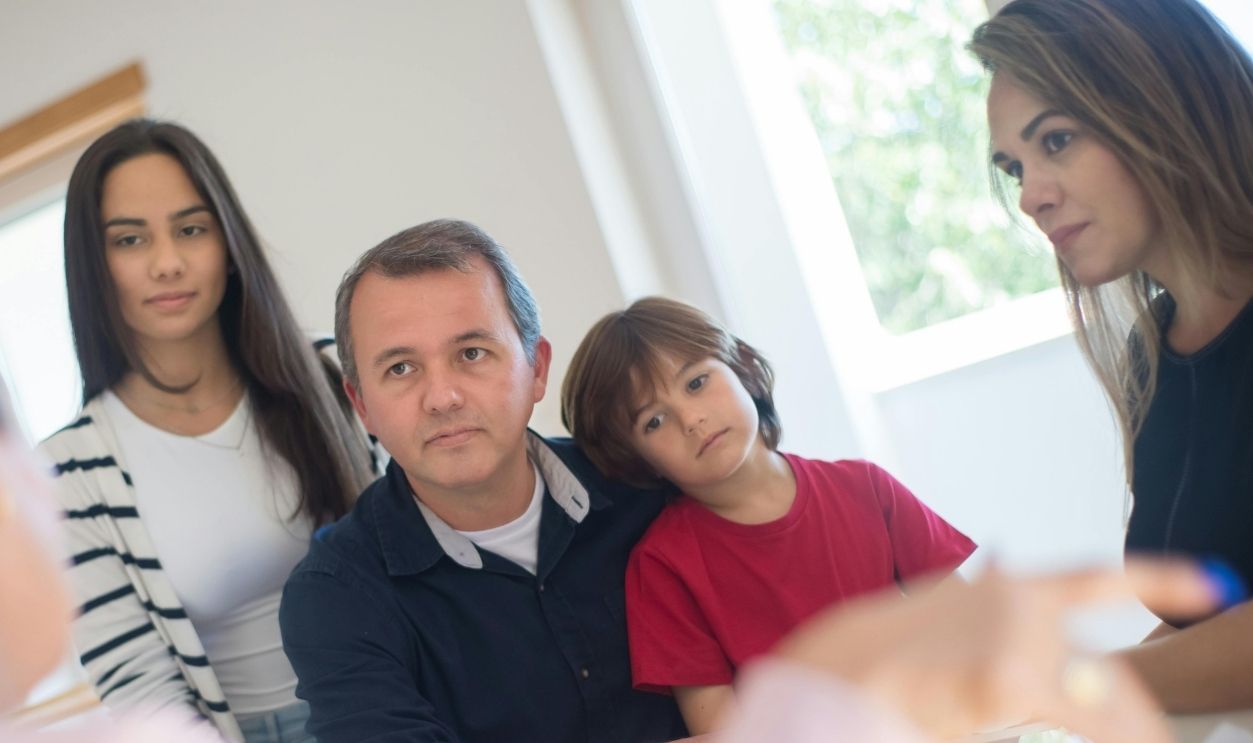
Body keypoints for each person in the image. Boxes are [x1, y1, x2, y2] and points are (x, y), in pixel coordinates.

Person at [279, 219, 688, 743]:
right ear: (362, 407)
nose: (442, 397)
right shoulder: (335, 597)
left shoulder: (649, 484)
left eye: (471, 354)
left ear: (537, 368)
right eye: (401, 369)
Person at [37, 119, 378, 742]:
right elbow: (142, 693)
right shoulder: (70, 471)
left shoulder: (332, 378)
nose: (168, 263)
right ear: (94, 263)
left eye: (190, 229)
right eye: (131, 240)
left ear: (228, 242)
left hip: (397, 709)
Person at [971, 0, 1253, 713]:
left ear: (1161, 105)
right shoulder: (1149, 357)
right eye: (1013, 168)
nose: (1031, 196)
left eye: (1056, 140)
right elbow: (1213, 624)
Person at [559, 296, 975, 734]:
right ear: (637, 461)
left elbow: (975, 626)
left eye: (697, 383)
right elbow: (721, 730)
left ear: (745, 371)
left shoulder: (867, 488)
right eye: (654, 422)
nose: (691, 419)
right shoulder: (662, 568)